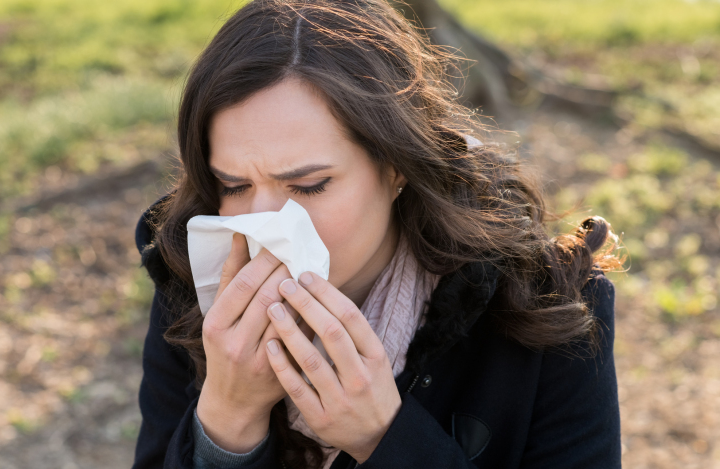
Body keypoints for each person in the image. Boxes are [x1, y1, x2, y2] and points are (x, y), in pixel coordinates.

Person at [131, 0, 623, 467]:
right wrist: (227, 420)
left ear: (396, 168)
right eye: (233, 185)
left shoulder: (550, 303)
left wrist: (385, 438)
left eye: (307, 186)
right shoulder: (194, 285)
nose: (263, 222)